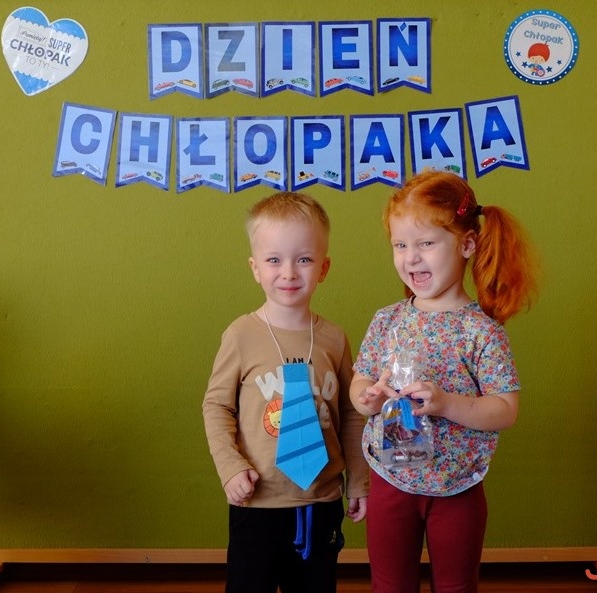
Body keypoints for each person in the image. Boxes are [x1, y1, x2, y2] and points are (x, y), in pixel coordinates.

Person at [350, 171, 538, 593]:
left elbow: (505, 409)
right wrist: (367, 397)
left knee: (456, 586)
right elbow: (360, 383)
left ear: (467, 244)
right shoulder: (387, 320)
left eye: (426, 243)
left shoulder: (482, 330)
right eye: (400, 245)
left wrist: (446, 403)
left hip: (458, 486)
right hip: (390, 480)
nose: (411, 258)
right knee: (389, 585)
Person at [203, 191, 369, 593]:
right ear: (255, 268)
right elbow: (217, 405)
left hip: (320, 500)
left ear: (324, 267)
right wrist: (229, 466)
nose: (289, 272)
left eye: (304, 259)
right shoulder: (241, 334)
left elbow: (352, 414)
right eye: (274, 260)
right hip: (258, 500)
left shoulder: (334, 338)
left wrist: (359, 480)